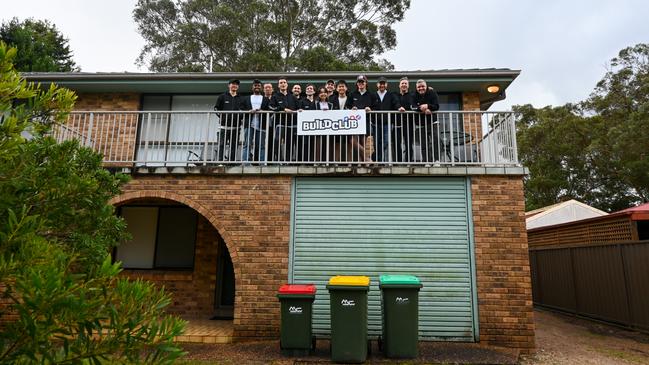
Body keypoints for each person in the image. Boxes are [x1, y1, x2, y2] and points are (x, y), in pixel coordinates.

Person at [214, 79, 245, 162]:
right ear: (229, 85)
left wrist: (241, 118)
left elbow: (243, 111)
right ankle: (220, 162)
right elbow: (216, 109)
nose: (234, 85)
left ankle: (231, 162)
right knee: (221, 145)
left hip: (235, 127)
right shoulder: (222, 96)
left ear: (238, 87)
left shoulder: (241, 98)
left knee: (234, 146)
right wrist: (222, 116)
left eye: (236, 84)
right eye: (233, 84)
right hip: (223, 127)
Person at [411, 79, 440, 164]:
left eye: (423, 86)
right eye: (419, 87)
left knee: (435, 141)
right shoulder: (413, 95)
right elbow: (413, 107)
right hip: (420, 124)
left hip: (433, 122)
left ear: (426, 86)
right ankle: (427, 161)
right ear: (416, 88)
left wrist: (428, 106)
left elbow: (437, 106)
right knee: (424, 144)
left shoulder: (432, 93)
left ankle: (436, 160)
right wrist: (422, 109)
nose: (421, 88)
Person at [349, 75, 378, 162]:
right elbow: (348, 106)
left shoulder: (371, 95)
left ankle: (362, 163)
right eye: (359, 82)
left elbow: (376, 107)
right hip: (354, 122)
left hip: (366, 121)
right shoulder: (352, 94)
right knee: (353, 141)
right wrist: (352, 109)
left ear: (366, 83)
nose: (361, 83)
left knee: (363, 142)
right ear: (357, 84)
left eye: (362, 82)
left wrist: (370, 109)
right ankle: (367, 157)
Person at [373, 76, 402, 162]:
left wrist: (399, 108)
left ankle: (382, 160)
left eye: (383, 83)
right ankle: (378, 161)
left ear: (386, 85)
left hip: (388, 123)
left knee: (386, 142)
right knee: (376, 142)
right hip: (376, 123)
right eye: (380, 83)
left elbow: (396, 103)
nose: (382, 85)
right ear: (377, 85)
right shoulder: (373, 95)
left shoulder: (391, 95)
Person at [241, 79, 270, 164]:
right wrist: (249, 111)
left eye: (258, 86)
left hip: (262, 124)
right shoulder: (246, 98)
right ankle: (246, 162)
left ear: (261, 88)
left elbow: (269, 109)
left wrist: (262, 111)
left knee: (261, 145)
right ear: (252, 87)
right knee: (247, 144)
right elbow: (241, 108)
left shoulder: (266, 99)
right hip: (249, 124)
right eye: (255, 85)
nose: (257, 87)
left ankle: (261, 163)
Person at [269, 77, 297, 161]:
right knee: (277, 142)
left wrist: (299, 110)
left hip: (291, 125)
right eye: (281, 83)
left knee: (290, 143)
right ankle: (279, 160)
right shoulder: (275, 96)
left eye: (284, 82)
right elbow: (271, 107)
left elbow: (298, 107)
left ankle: (288, 161)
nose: (283, 84)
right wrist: (283, 109)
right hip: (279, 124)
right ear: (278, 85)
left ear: (287, 85)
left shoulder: (292, 96)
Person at [329, 80, 353, 161]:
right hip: (336, 125)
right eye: (339, 86)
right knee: (337, 144)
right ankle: (336, 162)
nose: (341, 88)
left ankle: (350, 163)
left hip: (348, 124)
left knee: (349, 144)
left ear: (346, 88)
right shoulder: (332, 99)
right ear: (336, 89)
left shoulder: (351, 99)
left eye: (343, 86)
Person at [394, 77, 414, 162]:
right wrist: (399, 107)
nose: (404, 85)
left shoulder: (412, 95)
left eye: (406, 83)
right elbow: (395, 103)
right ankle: (397, 162)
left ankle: (408, 161)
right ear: (399, 85)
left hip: (408, 123)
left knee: (408, 143)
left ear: (408, 85)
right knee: (396, 143)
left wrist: (429, 89)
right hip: (396, 123)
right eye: (402, 83)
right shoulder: (394, 95)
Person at [298, 84, 317, 161]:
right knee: (305, 144)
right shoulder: (302, 101)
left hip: (315, 127)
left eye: (311, 88)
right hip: (305, 127)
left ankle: (313, 161)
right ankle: (305, 161)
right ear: (305, 91)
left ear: (314, 91)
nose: (309, 89)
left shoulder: (317, 101)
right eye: (308, 88)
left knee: (314, 144)